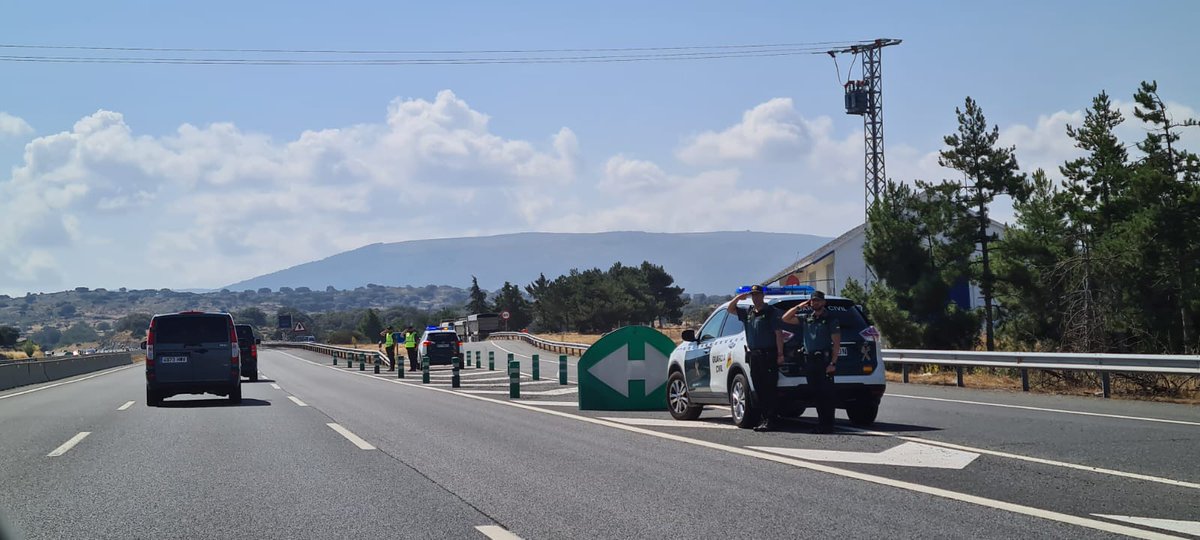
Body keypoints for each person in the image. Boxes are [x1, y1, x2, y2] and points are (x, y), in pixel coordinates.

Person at [782, 290, 841, 434]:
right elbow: (785, 318)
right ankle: (822, 424)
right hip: (810, 360)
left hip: (824, 360)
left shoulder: (830, 318)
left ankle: (828, 425)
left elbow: (836, 343)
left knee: (826, 394)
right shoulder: (807, 317)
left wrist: (833, 363)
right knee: (816, 394)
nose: (816, 303)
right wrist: (800, 306)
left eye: (818, 301)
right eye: (813, 301)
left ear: (824, 302)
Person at [728, 284, 785, 432]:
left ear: (762, 296)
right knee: (758, 388)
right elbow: (730, 309)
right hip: (754, 355)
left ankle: (771, 419)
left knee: (769, 388)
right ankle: (764, 418)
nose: (755, 297)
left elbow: (778, 334)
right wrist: (739, 298)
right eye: (753, 295)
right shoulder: (749, 312)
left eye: (757, 294)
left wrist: (780, 354)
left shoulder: (770, 312)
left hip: (769, 354)